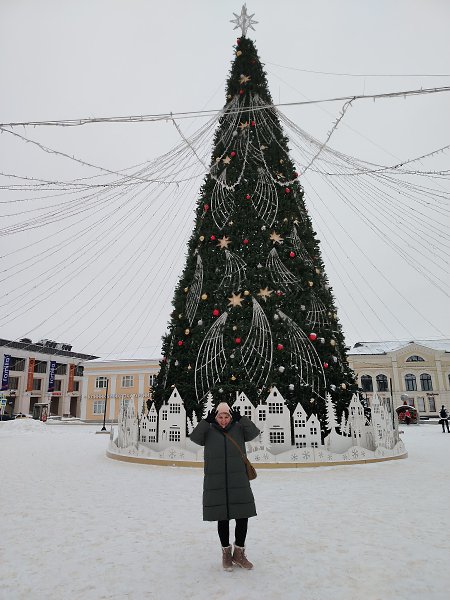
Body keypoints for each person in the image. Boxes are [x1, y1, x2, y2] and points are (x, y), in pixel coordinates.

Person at [190, 401, 260, 572]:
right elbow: (195, 438)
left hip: (239, 481)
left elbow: (254, 433)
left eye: (226, 416)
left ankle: (239, 554)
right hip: (217, 482)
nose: (223, 420)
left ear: (231, 417)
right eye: (220, 417)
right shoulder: (208, 430)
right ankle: (226, 555)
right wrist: (205, 422)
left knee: (243, 516)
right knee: (222, 518)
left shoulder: (239, 428)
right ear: (215, 417)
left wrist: (241, 419)